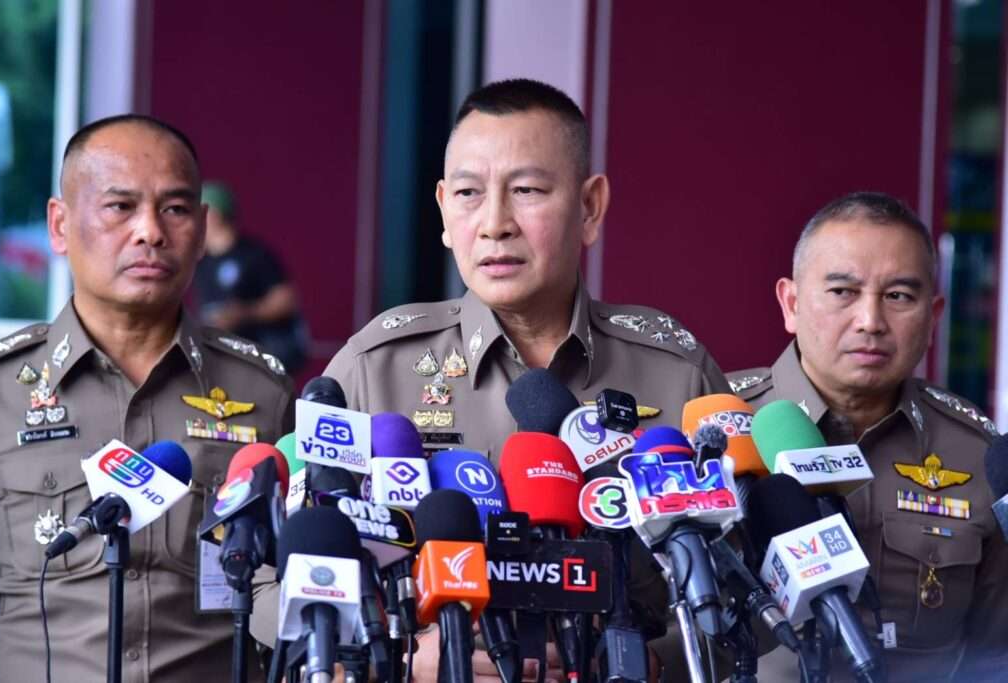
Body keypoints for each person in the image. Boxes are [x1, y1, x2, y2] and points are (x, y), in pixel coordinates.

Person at [250, 79, 732, 680]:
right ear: (443, 209)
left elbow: (752, 596)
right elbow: (268, 586)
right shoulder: (376, 367)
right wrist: (400, 659)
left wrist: (649, 666)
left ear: (589, 207)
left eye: (526, 191)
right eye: (469, 193)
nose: (495, 223)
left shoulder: (675, 373)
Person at [0, 114, 294, 681]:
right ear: (59, 225)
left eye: (174, 209)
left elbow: (290, 594)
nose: (150, 231)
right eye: (120, 207)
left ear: (202, 230)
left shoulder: (263, 394)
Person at [727, 192, 1008, 681]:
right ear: (791, 303)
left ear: (934, 316)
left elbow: (994, 652)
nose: (871, 322)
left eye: (898, 297)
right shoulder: (715, 427)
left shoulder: (977, 453)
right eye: (843, 291)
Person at [192, 181, 308, 374]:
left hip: (258, 360)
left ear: (214, 215)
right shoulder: (200, 261)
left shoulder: (254, 254)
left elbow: (286, 300)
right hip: (221, 359)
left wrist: (244, 313)